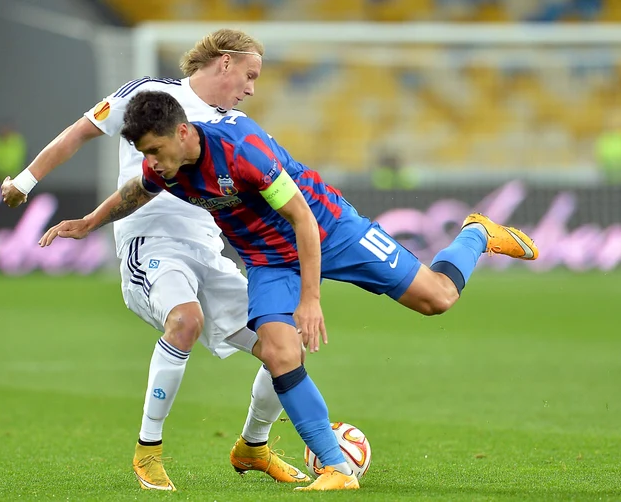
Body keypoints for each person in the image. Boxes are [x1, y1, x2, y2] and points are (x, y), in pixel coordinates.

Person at [38, 91, 539, 491]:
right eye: (144, 153)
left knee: (437, 298)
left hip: (330, 228)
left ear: (183, 132)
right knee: (280, 351)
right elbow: (133, 193)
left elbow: (300, 215)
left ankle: (476, 233)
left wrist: (311, 298)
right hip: (267, 259)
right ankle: (336, 466)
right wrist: (88, 222)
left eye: (154, 150)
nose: (152, 162)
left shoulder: (241, 151)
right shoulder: (162, 169)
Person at [0, 29, 310, 491]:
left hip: (208, 245)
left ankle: (253, 446)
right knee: (185, 320)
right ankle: (148, 452)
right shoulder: (151, 98)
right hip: (149, 240)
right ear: (224, 62)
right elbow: (80, 132)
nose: (250, 89)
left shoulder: (235, 128)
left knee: (285, 345)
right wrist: (25, 180)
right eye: (249, 75)